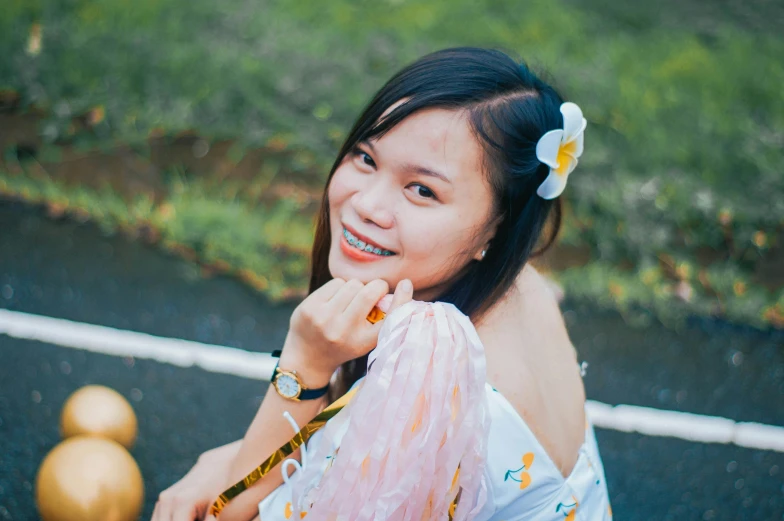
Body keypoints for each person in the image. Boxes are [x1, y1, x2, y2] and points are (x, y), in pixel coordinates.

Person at [151, 46, 612, 521]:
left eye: (422, 190)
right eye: (366, 158)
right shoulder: (521, 283)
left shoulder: (432, 391)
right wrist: (228, 456)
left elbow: (229, 513)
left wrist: (303, 368)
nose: (367, 204)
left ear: (495, 229)